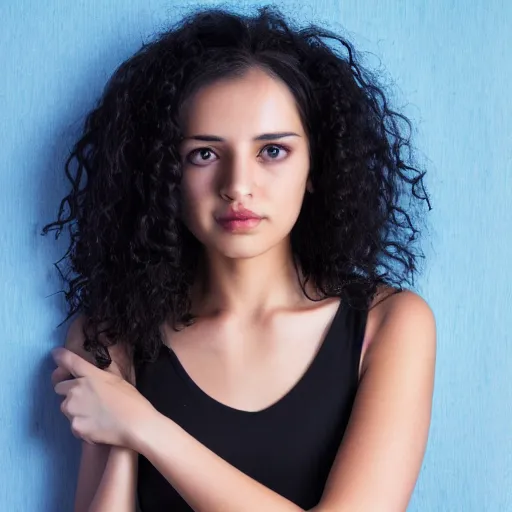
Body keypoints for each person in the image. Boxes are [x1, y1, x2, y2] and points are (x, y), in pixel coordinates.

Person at [44, 5, 436, 512]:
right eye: (204, 154)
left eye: (272, 151)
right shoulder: (113, 330)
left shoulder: (390, 324)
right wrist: (121, 446)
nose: (237, 187)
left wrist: (143, 426)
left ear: (317, 165)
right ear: (165, 174)